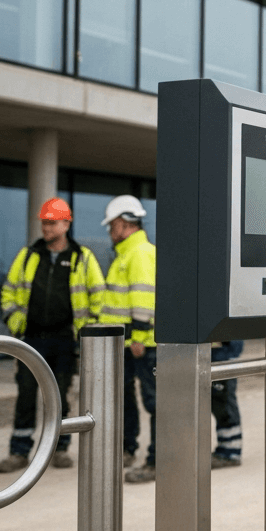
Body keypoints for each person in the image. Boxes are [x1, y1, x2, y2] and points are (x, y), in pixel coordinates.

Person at [0, 197, 106, 473]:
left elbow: (99, 298)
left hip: (63, 339)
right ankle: (19, 451)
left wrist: (85, 331)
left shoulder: (82, 258)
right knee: (26, 394)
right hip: (31, 339)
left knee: (58, 395)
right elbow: (8, 290)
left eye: (51, 222)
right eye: (44, 222)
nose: (45, 227)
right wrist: (14, 320)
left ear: (66, 224)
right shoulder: (29, 255)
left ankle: (59, 448)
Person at [99, 195, 158, 484]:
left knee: (154, 401)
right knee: (125, 398)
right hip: (126, 343)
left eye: (112, 226)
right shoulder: (126, 253)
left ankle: (157, 461)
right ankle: (127, 449)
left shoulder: (140, 253)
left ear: (123, 223)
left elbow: (144, 298)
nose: (110, 232)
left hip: (140, 344)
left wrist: (138, 336)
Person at [210, 340, 245, 469]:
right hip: (217, 352)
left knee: (224, 402)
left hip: (222, 354)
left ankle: (231, 452)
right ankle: (226, 448)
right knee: (218, 402)